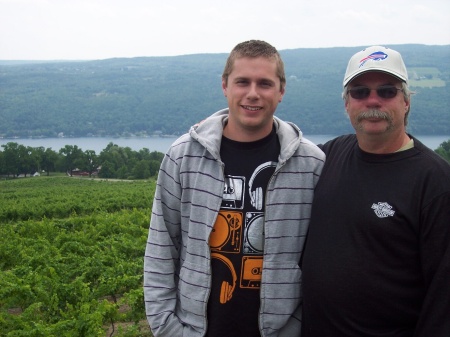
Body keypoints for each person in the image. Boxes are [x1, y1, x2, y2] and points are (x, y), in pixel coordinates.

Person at [143, 40, 325, 337]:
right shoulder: (184, 156)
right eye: (243, 82)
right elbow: (162, 249)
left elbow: (317, 262)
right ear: (225, 85)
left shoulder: (310, 164)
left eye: (265, 83)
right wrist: (169, 328)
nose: (252, 93)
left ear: (281, 91)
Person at [301, 45, 450, 337]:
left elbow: (443, 299)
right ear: (346, 103)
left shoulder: (435, 182)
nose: (373, 100)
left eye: (386, 91)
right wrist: (220, 129)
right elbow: (274, 156)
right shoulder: (328, 156)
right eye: (359, 92)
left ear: (406, 101)